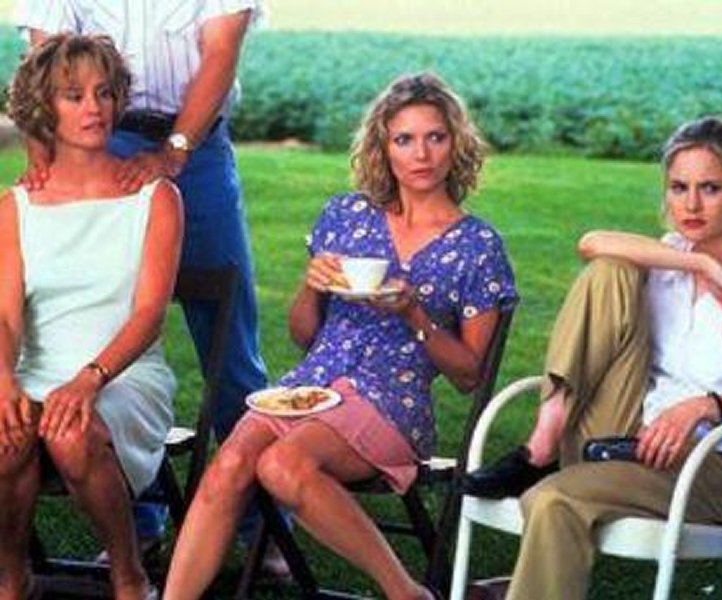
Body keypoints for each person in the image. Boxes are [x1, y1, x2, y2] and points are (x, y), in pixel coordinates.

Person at [162, 72, 518, 600]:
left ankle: (405, 592)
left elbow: (470, 375)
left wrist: (413, 313)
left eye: (435, 137)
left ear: (456, 143)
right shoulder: (346, 216)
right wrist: (312, 285)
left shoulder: (477, 245)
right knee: (229, 465)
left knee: (282, 465)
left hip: (390, 401)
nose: (421, 154)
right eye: (404, 139)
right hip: (308, 387)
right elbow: (303, 334)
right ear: (383, 148)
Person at [462, 116, 722, 599]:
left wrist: (705, 407)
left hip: (710, 463)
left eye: (710, 188)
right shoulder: (668, 257)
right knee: (610, 270)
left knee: (553, 498)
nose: (691, 204)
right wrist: (700, 262)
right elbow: (590, 243)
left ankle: (514, 588)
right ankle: (545, 440)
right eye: (678, 188)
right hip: (628, 437)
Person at [15, 0, 269, 551]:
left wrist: (174, 152)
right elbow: (44, 62)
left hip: (195, 147)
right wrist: (43, 159)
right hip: (98, 135)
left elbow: (220, 51)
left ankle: (262, 526)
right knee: (94, 322)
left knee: (229, 345)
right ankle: (138, 526)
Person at [0, 34, 182, 600]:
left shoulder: (155, 197)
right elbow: (5, 318)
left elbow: (149, 315)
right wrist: (3, 378)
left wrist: (89, 379)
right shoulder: (16, 207)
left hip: (124, 376)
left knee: (73, 430)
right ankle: (11, 578)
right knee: (5, 430)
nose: (94, 108)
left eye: (104, 93)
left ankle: (129, 576)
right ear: (44, 106)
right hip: (36, 370)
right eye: (74, 95)